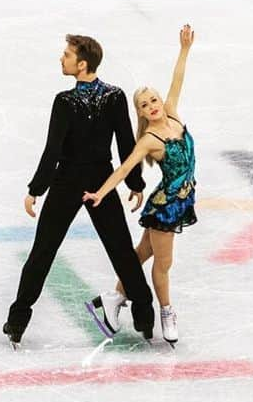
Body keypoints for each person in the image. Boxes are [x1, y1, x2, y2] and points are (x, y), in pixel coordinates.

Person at [3, 35, 156, 347]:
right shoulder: (114, 97)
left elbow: (53, 151)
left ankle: (17, 321)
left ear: (82, 63)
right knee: (120, 249)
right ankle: (144, 315)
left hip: (68, 182)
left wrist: (36, 189)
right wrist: (134, 184)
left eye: (67, 55)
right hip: (100, 179)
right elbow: (126, 146)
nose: (62, 59)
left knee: (43, 251)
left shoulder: (65, 102)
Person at [84, 24, 196, 346]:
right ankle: (167, 312)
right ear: (141, 114)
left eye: (154, 99)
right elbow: (124, 169)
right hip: (166, 207)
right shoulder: (149, 139)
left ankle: (113, 297)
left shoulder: (173, 116)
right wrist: (101, 193)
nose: (153, 105)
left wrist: (184, 50)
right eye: (145, 105)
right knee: (163, 264)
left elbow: (178, 80)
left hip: (181, 200)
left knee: (141, 254)